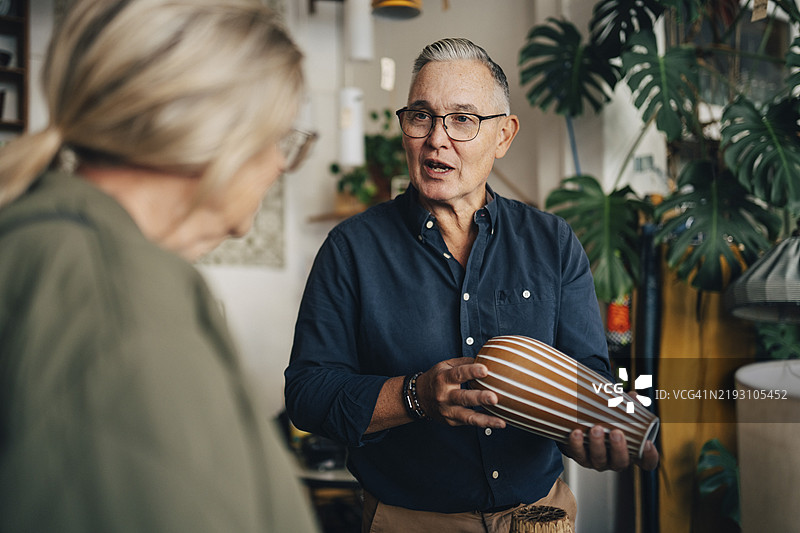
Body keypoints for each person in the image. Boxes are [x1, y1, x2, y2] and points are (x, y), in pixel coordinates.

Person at [285, 37, 658, 532]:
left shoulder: (552, 242)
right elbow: (309, 394)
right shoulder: (351, 249)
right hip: (410, 522)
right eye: (421, 116)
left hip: (539, 517)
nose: (436, 139)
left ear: (503, 136)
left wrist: (594, 433)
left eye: (462, 119)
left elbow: (586, 373)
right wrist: (416, 396)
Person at [0, 1, 319, 531]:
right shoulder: (115, 300)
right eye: (278, 137)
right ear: (210, 132)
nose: (279, 164)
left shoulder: (59, 248)